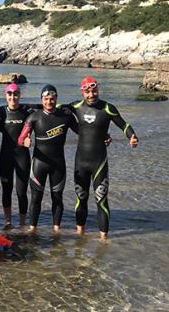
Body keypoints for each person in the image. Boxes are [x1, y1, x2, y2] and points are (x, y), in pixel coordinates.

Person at [70, 76, 139, 240]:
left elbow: (124, 125)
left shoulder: (108, 108)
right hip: (81, 162)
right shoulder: (75, 107)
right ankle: (80, 232)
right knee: (81, 199)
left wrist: (132, 136)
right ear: (82, 92)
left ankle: (103, 239)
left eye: (94, 91)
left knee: (101, 200)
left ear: (98, 90)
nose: (91, 94)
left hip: (99, 162)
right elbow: (51, 109)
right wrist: (23, 111)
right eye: (87, 91)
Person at [18, 84, 78, 234]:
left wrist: (103, 136)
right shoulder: (34, 117)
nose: (49, 102)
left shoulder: (66, 116)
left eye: (52, 99)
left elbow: (83, 132)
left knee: (57, 198)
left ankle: (56, 230)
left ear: (56, 99)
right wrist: (25, 141)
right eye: (46, 99)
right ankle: (33, 229)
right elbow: (20, 138)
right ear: (41, 99)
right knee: (35, 199)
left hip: (58, 164)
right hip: (39, 164)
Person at [0, 83, 39, 228]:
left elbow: (43, 114)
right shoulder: (0, 112)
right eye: (10, 94)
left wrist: (30, 139)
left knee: (21, 192)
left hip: (22, 157)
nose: (12, 97)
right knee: (6, 191)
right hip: (5, 157)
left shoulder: (27, 112)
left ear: (19, 95)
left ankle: (21, 223)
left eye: (15, 94)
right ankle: (8, 222)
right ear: (5, 95)